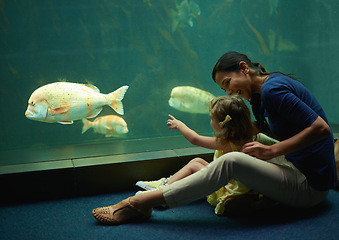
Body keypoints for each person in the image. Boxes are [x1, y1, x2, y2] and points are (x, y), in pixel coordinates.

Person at [92, 51, 338, 225]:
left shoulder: (272, 90)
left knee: (231, 162)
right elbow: (284, 129)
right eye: (224, 89)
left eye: (228, 83)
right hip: (296, 168)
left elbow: (322, 129)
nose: (230, 91)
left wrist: (272, 151)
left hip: (310, 186)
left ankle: (141, 203)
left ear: (244, 67)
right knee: (223, 159)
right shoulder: (264, 92)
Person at [135, 95, 279, 216]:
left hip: (226, 186)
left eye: (212, 119)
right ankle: (167, 184)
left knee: (194, 164)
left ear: (222, 125)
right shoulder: (249, 135)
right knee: (198, 161)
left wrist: (179, 125)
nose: (210, 121)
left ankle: (163, 191)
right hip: (243, 184)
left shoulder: (226, 143)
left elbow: (195, 139)